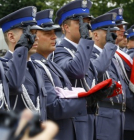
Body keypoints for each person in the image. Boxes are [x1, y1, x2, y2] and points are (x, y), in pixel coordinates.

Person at [50, 1, 98, 140]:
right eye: (81, 22)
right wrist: (85, 40)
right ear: (66, 27)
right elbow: (77, 71)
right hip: (74, 122)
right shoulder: (59, 51)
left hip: (90, 119)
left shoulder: (85, 49)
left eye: (88, 22)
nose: (86, 26)